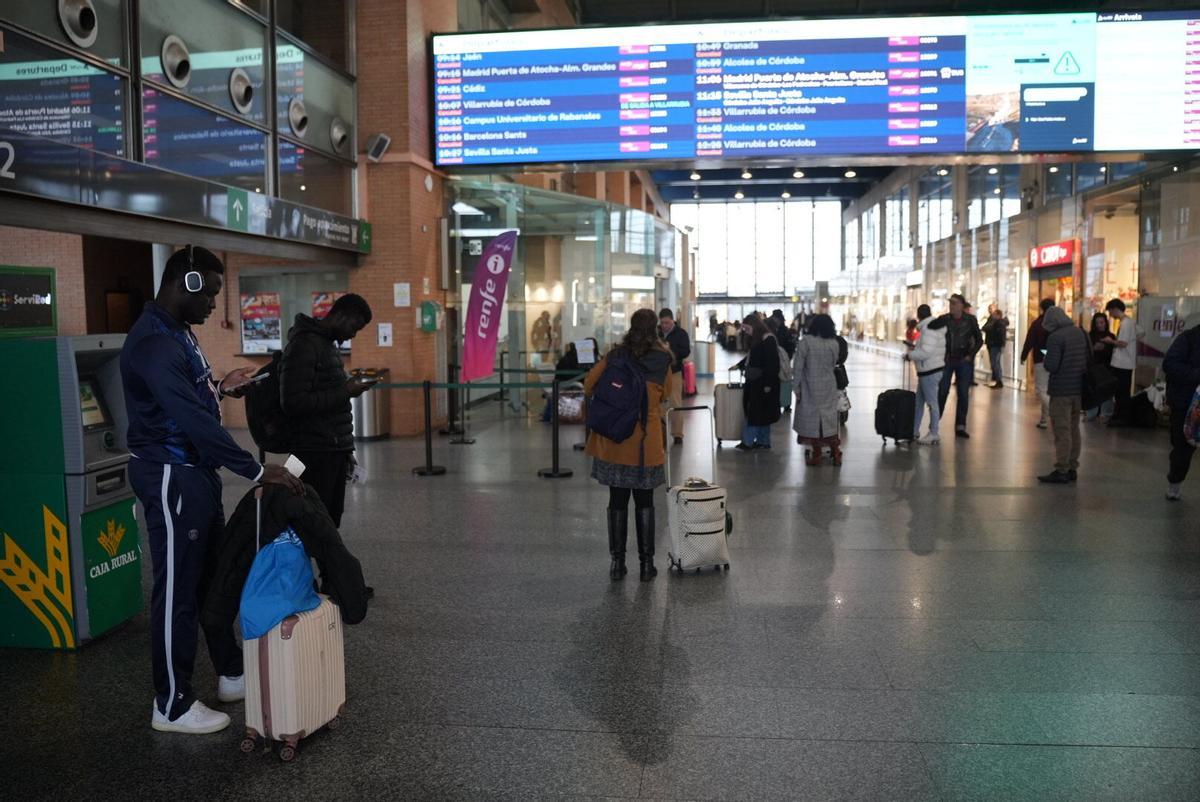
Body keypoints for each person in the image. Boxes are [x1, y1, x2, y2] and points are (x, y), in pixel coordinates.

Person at [120, 246, 303, 735]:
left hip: (193, 472)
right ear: (190, 283)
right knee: (177, 587)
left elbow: (192, 400)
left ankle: (229, 669)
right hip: (170, 474)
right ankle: (172, 703)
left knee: (213, 576)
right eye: (212, 294)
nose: (213, 306)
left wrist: (222, 386)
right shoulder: (154, 343)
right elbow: (189, 419)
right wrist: (253, 469)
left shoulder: (178, 333)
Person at [584, 309, 675, 581]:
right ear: (655, 329)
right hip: (646, 443)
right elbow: (667, 394)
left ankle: (617, 564)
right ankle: (646, 566)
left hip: (615, 439)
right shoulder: (662, 359)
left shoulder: (616, 355)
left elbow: (589, 385)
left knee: (618, 499)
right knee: (645, 500)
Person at [279, 293, 374, 531]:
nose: (353, 335)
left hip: (331, 450)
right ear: (340, 316)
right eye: (354, 327)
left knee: (330, 520)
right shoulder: (304, 345)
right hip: (313, 451)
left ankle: (328, 568)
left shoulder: (326, 345)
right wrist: (346, 391)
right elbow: (293, 402)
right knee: (315, 522)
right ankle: (320, 568)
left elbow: (330, 401)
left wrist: (345, 450)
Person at [1038, 306, 1090, 484]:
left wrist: (1046, 359)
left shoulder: (1055, 337)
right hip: (1078, 389)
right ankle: (1072, 467)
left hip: (1061, 390)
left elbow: (1051, 365)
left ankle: (1061, 469)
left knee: (1062, 431)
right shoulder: (1080, 333)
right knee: (1074, 428)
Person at [792, 313, 847, 465]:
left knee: (813, 423)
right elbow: (834, 362)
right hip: (829, 385)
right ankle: (836, 452)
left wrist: (796, 387)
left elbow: (797, 367)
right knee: (828, 421)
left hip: (810, 386)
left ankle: (817, 454)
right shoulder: (833, 343)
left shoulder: (806, 342)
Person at [930, 294, 983, 439]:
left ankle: (961, 425)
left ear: (961, 305)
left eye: (954, 303)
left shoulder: (970, 320)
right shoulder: (945, 319)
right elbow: (931, 329)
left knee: (963, 394)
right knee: (942, 391)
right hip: (947, 360)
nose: (952, 306)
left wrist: (970, 355)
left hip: (963, 361)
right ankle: (935, 422)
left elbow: (979, 340)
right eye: (950, 303)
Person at [1162, 313, 1200, 501]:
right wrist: (1196, 374)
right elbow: (1169, 364)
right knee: (1183, 447)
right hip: (1186, 404)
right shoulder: (1188, 339)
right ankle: (1175, 483)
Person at [734, 314, 781, 450]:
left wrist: (768, 384)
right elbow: (751, 358)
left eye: (747, 328)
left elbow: (772, 364)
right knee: (763, 414)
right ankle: (763, 441)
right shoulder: (758, 339)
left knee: (754, 413)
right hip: (756, 381)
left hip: (763, 383)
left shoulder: (768, 339)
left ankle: (748, 442)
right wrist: (739, 365)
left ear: (755, 326)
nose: (745, 331)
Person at [905, 304, 946, 445]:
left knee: (931, 403)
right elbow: (928, 348)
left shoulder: (928, 328)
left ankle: (934, 432)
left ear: (919, 315)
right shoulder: (932, 326)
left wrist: (910, 355)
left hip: (930, 370)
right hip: (928, 370)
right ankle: (914, 430)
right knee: (919, 402)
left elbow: (926, 352)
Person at [1105, 298, 1144, 425]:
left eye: (1110, 311)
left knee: (1121, 392)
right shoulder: (1130, 322)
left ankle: (1121, 417)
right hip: (1125, 362)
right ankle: (1121, 416)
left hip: (1122, 363)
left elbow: (1122, 343)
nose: (1110, 314)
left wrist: (1110, 341)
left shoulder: (1126, 323)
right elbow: (1142, 332)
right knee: (1122, 391)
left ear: (1115, 309)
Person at [1020, 298, 1056, 429]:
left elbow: (1030, 340)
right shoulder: (1057, 323)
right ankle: (1043, 420)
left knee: (1041, 389)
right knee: (1049, 390)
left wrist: (1023, 355)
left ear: (1041, 308)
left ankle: (1052, 412)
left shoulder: (1038, 323)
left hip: (1041, 359)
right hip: (1056, 360)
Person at [659, 308, 691, 444]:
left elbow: (686, 351)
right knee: (658, 402)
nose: (664, 326)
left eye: (667, 323)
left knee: (675, 402)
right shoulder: (656, 333)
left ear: (673, 321)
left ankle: (678, 434)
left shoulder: (681, 333)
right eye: (662, 323)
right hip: (659, 372)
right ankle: (659, 432)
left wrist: (669, 350)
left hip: (674, 371)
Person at [1086, 312, 1117, 422]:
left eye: (1102, 322)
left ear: (1106, 323)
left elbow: (1114, 352)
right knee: (1093, 391)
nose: (1100, 325)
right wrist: (1094, 349)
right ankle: (1092, 413)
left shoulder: (1111, 336)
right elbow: (1087, 352)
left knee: (1106, 391)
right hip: (1094, 368)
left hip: (1107, 368)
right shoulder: (1090, 336)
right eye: (1097, 323)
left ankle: (1106, 413)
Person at [981, 305, 1010, 389]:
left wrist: (1000, 344)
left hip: (995, 345)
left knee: (995, 363)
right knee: (995, 363)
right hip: (994, 345)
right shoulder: (996, 322)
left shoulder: (998, 323)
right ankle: (997, 379)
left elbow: (987, 329)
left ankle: (999, 380)